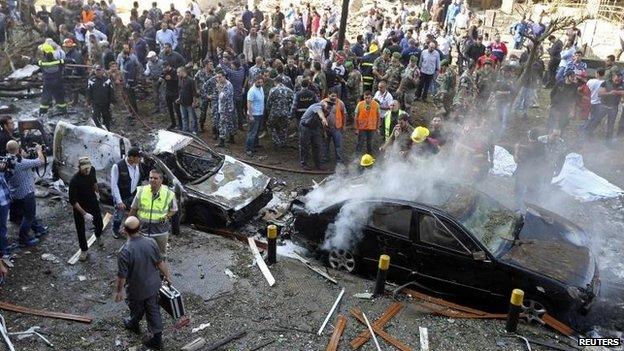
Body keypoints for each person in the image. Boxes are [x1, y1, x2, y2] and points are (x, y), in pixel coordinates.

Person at [115, 216, 172, 350]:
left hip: (136, 290)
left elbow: (122, 276)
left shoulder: (124, 251)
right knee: (153, 310)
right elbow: (160, 262)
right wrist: (167, 276)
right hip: (153, 286)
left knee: (136, 308)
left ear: (125, 230)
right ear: (140, 228)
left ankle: (133, 324)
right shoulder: (151, 242)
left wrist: (119, 291)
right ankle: (157, 340)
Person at [6, 140, 47, 247]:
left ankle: (39, 229)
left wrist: (23, 154)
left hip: (15, 193)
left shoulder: (8, 160)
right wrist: (38, 150)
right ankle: (23, 239)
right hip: (26, 193)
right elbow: (41, 161)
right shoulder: (22, 163)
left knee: (27, 213)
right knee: (29, 216)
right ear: (18, 149)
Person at [129, 169, 178, 257]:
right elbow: (133, 209)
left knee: (160, 255)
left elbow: (174, 209)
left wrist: (167, 216)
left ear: (161, 180)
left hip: (160, 232)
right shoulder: (141, 191)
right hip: (143, 231)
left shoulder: (168, 193)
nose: (152, 180)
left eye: (155, 178)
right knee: (142, 254)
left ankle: (159, 270)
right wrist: (128, 225)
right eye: (151, 178)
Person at [68, 157, 103, 261]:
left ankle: (98, 235)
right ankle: (84, 250)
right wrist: (84, 214)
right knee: (80, 229)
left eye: (88, 168)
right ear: (79, 168)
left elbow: (94, 182)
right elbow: (73, 202)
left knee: (99, 223)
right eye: (85, 169)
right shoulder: (74, 180)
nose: (87, 171)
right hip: (80, 205)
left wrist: (97, 193)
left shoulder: (92, 170)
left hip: (92, 201)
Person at [111, 147, 142, 239]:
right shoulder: (118, 166)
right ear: (131, 157)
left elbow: (137, 180)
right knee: (119, 216)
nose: (140, 159)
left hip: (132, 194)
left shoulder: (137, 165)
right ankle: (115, 230)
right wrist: (119, 201)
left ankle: (130, 229)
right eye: (138, 157)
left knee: (134, 212)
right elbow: (114, 185)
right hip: (121, 196)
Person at [38, 43, 67, 116]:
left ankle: (42, 114)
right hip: (57, 82)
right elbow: (67, 61)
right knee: (60, 97)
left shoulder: (42, 63)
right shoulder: (59, 62)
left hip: (47, 83)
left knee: (45, 97)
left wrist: (28, 59)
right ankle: (64, 112)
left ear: (45, 53)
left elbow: (34, 62)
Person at [299, 100, 329, 170]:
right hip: (305, 126)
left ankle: (318, 164)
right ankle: (304, 164)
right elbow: (320, 114)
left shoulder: (326, 110)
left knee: (317, 145)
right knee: (304, 145)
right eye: (326, 106)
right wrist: (323, 119)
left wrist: (324, 132)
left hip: (315, 127)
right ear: (323, 104)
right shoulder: (316, 106)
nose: (327, 108)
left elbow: (321, 123)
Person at [266, 77, 295, 148]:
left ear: (275, 82)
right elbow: (292, 103)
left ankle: (276, 141)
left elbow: (269, 103)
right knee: (284, 128)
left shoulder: (273, 90)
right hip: (286, 113)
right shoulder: (290, 91)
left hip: (274, 112)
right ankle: (283, 142)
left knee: (271, 126)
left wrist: (268, 110)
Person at [322, 89, 347, 164]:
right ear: (328, 95)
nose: (334, 97)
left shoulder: (340, 103)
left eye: (335, 96)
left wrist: (344, 125)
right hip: (325, 127)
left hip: (337, 127)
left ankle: (338, 160)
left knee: (338, 145)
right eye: (332, 95)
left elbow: (344, 114)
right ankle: (325, 158)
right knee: (325, 144)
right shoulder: (323, 102)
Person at [86, 65, 115, 130]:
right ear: (95, 71)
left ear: (102, 71)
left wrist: (112, 102)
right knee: (95, 118)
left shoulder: (107, 80)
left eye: (99, 70)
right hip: (96, 104)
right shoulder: (91, 80)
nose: (98, 72)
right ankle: (98, 131)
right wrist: (88, 102)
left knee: (106, 119)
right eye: (97, 70)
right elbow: (88, 92)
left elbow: (111, 92)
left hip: (106, 103)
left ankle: (108, 131)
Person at [246, 75, 265, 156]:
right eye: (258, 82)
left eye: (261, 82)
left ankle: (255, 145)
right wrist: (250, 115)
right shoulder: (252, 91)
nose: (260, 84)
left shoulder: (260, 88)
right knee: (252, 132)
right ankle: (249, 149)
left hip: (260, 113)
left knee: (257, 131)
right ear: (255, 81)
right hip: (254, 114)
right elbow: (249, 104)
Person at [177, 67, 198, 134]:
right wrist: (179, 98)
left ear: (182, 71)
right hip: (182, 102)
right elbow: (180, 90)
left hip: (189, 102)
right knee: (184, 117)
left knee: (192, 118)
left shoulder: (190, 80)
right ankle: (185, 130)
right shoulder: (180, 79)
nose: (177, 74)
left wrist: (194, 102)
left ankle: (194, 130)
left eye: (178, 72)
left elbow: (194, 92)